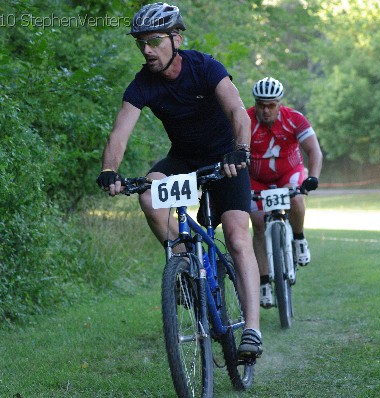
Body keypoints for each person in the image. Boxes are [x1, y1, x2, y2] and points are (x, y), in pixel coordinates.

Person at [95, 3, 262, 359]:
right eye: (140, 43)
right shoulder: (143, 83)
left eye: (154, 41)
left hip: (226, 158)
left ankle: (252, 329)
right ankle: (185, 267)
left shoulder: (205, 66)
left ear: (176, 39)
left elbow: (237, 110)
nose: (146, 50)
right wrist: (110, 169)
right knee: (149, 197)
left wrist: (240, 150)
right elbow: (120, 133)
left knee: (235, 234)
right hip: (183, 159)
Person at [247, 77, 323, 308]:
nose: (266, 110)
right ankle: (263, 283)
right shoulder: (246, 120)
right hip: (256, 178)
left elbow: (314, 151)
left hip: (289, 172)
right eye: (261, 104)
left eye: (271, 105)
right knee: (258, 222)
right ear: (256, 104)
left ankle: (299, 239)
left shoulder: (295, 119)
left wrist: (313, 177)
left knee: (297, 199)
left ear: (280, 103)